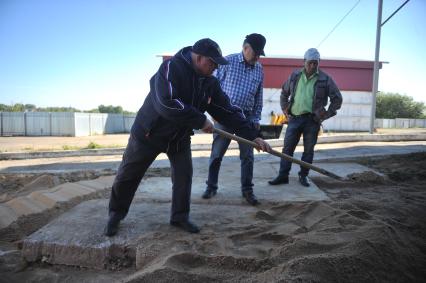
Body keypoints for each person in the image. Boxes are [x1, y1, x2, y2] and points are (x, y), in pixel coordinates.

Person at [104, 38, 271, 236]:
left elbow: (227, 110)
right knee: (129, 175)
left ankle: (180, 217)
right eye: (213, 63)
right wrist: (200, 120)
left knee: (184, 176)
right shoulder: (170, 68)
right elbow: (167, 103)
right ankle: (115, 214)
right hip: (149, 133)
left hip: (179, 137)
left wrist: (253, 136)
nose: (216, 68)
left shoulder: (210, 82)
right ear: (199, 58)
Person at [202, 33, 266, 206]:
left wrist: (256, 118)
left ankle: (247, 190)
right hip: (224, 116)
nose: (258, 57)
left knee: (248, 157)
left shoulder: (259, 69)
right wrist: (213, 115)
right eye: (256, 53)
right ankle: (211, 186)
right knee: (216, 154)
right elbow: (211, 87)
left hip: (246, 119)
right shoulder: (226, 62)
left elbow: (258, 97)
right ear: (245, 48)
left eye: (261, 54)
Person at [269, 48, 342, 187]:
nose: (313, 66)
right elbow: (284, 93)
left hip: (312, 121)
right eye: (310, 63)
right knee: (287, 149)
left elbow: (337, 99)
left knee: (308, 151)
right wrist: (285, 109)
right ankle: (283, 175)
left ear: (319, 63)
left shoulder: (325, 79)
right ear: (304, 62)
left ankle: (303, 176)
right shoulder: (295, 76)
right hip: (294, 119)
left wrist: (326, 114)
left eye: (316, 63)